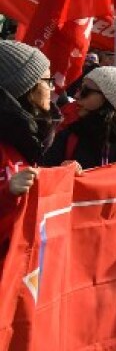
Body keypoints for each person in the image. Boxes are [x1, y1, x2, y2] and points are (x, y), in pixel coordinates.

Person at [0, 42, 57, 254]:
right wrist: (7, 194)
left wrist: (63, 177)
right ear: (26, 88)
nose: (54, 88)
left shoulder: (32, 136)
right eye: (47, 81)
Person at [44, 67, 116, 169]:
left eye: (85, 91)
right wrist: (62, 171)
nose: (77, 95)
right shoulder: (67, 138)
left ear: (110, 99)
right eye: (79, 88)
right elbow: (46, 177)